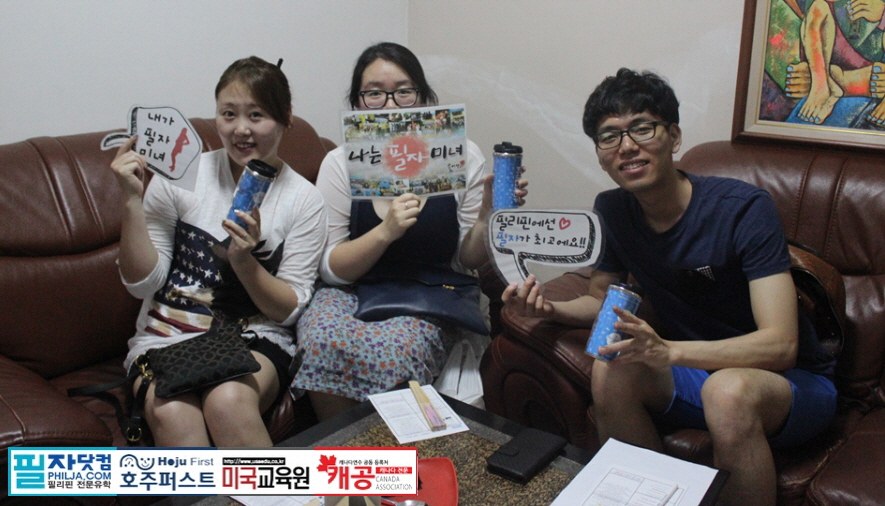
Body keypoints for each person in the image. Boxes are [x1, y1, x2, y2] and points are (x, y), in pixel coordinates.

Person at [503, 68, 837, 505]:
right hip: (698, 375)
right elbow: (601, 299)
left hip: (790, 383)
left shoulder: (742, 209)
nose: (627, 146)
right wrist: (549, 309)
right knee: (611, 367)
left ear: (674, 137)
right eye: (609, 136)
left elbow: (781, 345)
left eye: (642, 128)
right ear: (600, 156)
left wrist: (669, 351)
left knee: (727, 391)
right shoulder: (613, 210)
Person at [292, 42, 527, 420]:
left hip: (430, 292)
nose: (390, 106)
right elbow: (331, 268)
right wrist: (384, 232)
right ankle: (341, 448)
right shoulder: (339, 163)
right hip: (352, 291)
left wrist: (487, 217)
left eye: (404, 91)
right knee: (319, 339)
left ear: (424, 97)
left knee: (397, 352)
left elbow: (466, 259)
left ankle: (388, 452)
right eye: (374, 94)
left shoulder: (458, 154)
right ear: (357, 103)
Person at [110, 56, 327, 447]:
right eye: (229, 114)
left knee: (228, 401)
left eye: (256, 115)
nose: (240, 129)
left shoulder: (304, 199)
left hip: (253, 336)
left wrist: (243, 259)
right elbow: (142, 285)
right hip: (165, 339)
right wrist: (131, 201)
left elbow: (287, 310)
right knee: (173, 410)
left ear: (285, 118)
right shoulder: (179, 177)